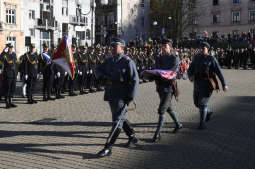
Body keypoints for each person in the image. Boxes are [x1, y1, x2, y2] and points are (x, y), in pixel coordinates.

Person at [95, 38, 139, 158]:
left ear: (122, 48)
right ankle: (132, 136)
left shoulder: (127, 61)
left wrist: (131, 96)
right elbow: (98, 69)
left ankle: (108, 147)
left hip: (122, 95)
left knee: (117, 121)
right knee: (120, 117)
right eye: (112, 46)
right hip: (111, 93)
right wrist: (102, 77)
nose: (112, 48)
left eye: (115, 46)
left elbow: (135, 80)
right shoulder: (109, 60)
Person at [187, 42, 228, 130]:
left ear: (207, 49)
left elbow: (219, 72)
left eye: (204, 48)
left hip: (207, 84)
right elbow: (190, 68)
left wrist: (224, 84)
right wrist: (190, 75)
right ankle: (208, 112)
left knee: (202, 103)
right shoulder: (196, 57)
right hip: (197, 83)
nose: (202, 49)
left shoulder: (211, 59)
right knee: (197, 103)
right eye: (201, 48)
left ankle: (202, 124)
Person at [152, 38, 183, 143]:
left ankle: (157, 134)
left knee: (161, 110)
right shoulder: (159, 58)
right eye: (162, 46)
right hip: (160, 87)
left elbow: (171, 73)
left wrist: (160, 73)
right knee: (168, 108)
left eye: (165, 46)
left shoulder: (174, 59)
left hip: (169, 88)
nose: (163, 48)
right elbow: (156, 70)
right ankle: (178, 124)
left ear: (170, 47)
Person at [0, 43, 18, 108]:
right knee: (7, 89)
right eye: (9, 48)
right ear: (7, 48)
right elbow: (0, 58)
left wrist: (16, 73)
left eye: (11, 48)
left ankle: (11, 102)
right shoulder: (5, 55)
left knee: (12, 89)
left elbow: (16, 64)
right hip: (7, 75)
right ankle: (7, 103)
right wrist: (4, 50)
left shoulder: (14, 54)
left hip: (14, 74)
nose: (10, 49)